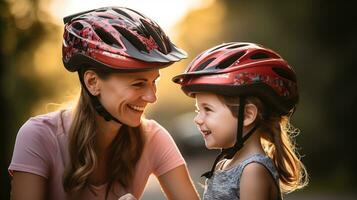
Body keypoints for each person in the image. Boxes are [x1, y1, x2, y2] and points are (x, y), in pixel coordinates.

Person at [9, 7, 199, 200]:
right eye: (138, 84)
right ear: (92, 82)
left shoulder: (153, 138)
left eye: (153, 82)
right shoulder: (39, 136)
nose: (152, 97)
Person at [173, 42, 308, 199]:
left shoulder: (253, 171)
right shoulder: (224, 164)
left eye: (207, 110)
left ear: (247, 115)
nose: (197, 119)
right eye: (198, 110)